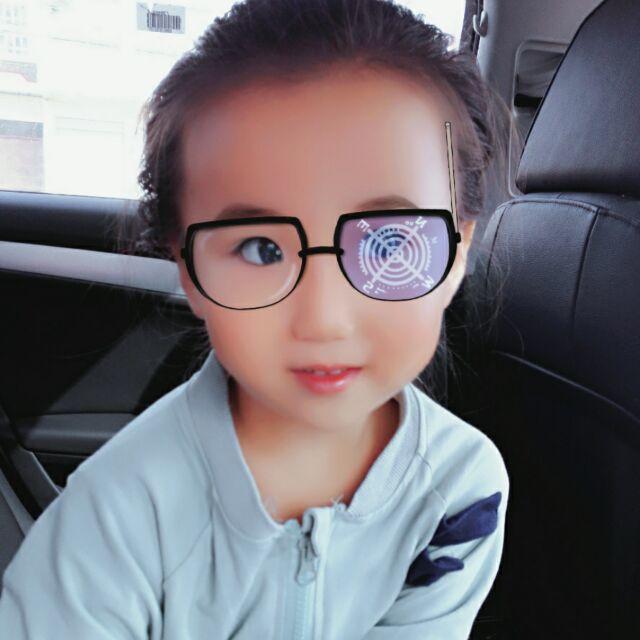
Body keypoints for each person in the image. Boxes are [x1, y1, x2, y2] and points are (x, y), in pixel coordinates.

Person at [0, 1, 518, 638]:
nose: (324, 320)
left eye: (387, 244)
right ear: (187, 268)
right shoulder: (116, 512)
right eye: (260, 248)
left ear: (458, 251)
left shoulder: (461, 489)